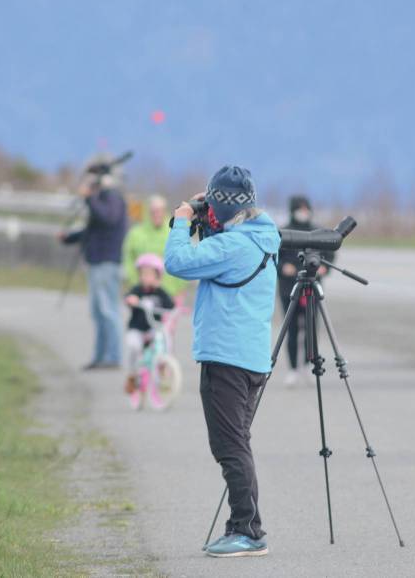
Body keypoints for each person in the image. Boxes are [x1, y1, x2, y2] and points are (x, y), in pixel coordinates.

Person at [164, 165, 280, 558]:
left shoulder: (231, 248)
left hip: (225, 358)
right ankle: (243, 526)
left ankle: (247, 530)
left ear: (219, 205)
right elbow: (224, 249)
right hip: (250, 358)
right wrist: (212, 218)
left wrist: (183, 221)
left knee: (229, 446)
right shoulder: (262, 236)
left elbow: (178, 262)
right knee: (237, 444)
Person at [59, 163, 128, 370]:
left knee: (108, 310)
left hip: (107, 261)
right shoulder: (101, 200)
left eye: (92, 180)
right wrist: (69, 237)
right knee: (98, 311)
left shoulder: (112, 197)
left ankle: (113, 357)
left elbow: (107, 218)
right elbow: (93, 229)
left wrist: (89, 198)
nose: (88, 185)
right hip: (97, 261)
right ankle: (101, 356)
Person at [277, 195, 334, 386]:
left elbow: (330, 254)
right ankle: (293, 369)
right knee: (291, 330)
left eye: (305, 208)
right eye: (299, 209)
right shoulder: (283, 232)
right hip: (288, 289)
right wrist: (283, 267)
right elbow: (273, 257)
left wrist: (325, 268)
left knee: (311, 329)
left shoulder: (317, 231)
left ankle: (309, 365)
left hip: (312, 288)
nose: (303, 212)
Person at [123, 253, 175, 393]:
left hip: (154, 328)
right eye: (143, 274)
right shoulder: (138, 290)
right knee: (133, 346)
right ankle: (132, 376)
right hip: (137, 328)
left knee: (166, 338)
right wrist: (131, 299)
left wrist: (178, 309)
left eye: (149, 274)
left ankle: (163, 363)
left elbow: (170, 305)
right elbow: (128, 297)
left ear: (158, 276)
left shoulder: (160, 292)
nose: (145, 277)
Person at [122, 194, 188, 306]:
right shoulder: (135, 234)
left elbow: (184, 259)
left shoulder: (174, 232)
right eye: (154, 211)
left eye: (160, 210)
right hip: (143, 292)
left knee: (166, 323)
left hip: (170, 292)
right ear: (147, 212)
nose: (157, 214)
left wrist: (180, 286)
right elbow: (128, 259)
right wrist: (136, 282)